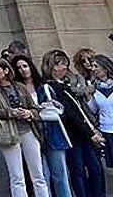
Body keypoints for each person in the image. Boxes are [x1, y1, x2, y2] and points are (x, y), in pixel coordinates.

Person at [41, 50, 104, 197]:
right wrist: (90, 132)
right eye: (62, 64)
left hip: (82, 132)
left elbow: (79, 110)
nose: (65, 68)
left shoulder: (64, 85)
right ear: (53, 66)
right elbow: (68, 114)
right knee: (78, 170)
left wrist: (91, 129)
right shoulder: (50, 87)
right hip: (71, 134)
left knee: (95, 168)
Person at [0, 57, 47, 197]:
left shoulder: (20, 87)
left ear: (5, 70)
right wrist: (10, 112)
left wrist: (29, 113)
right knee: (17, 176)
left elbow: (34, 108)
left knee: (38, 174)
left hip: (28, 130)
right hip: (8, 133)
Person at [11, 55, 70, 197]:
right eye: (19, 68)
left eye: (25, 66)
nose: (23, 70)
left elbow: (61, 109)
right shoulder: (16, 89)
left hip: (51, 130)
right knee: (41, 174)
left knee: (60, 173)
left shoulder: (44, 85)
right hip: (32, 131)